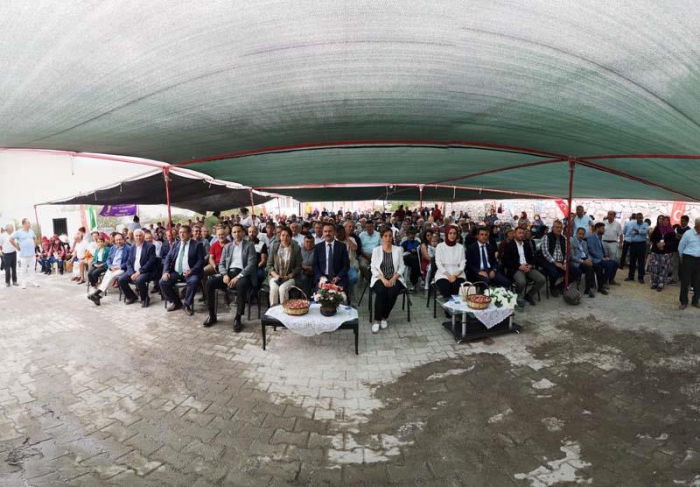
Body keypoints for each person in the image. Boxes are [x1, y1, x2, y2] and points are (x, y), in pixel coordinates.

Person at [204, 223, 257, 331]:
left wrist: (238, 277)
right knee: (209, 283)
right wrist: (224, 275)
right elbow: (222, 264)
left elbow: (251, 265)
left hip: (243, 274)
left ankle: (238, 318)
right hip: (228, 274)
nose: (237, 234)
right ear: (231, 234)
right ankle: (212, 315)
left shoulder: (249, 245)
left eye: (239, 231)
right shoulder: (227, 246)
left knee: (241, 285)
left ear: (243, 233)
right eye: (234, 232)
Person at [160, 226, 206, 314]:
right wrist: (165, 272)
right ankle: (176, 303)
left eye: (184, 232)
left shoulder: (197, 245)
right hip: (177, 272)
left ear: (189, 233)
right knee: (163, 282)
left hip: (191, 272)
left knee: (193, 281)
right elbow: (168, 258)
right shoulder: (175, 244)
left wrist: (192, 270)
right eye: (180, 232)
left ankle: (187, 305)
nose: (182, 234)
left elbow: (201, 261)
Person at [369, 227, 406, 333]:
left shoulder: (398, 250)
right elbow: (373, 268)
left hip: (395, 277)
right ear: (381, 237)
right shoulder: (376, 250)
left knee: (392, 292)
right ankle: (377, 320)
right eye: (385, 236)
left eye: (390, 236)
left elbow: (402, 267)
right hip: (380, 277)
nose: (388, 238)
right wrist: (383, 279)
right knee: (381, 292)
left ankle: (384, 317)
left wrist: (394, 278)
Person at [502, 227, 545, 306]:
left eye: (523, 233)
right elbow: (507, 261)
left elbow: (532, 257)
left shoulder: (526, 244)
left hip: (527, 266)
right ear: (515, 234)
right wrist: (519, 266)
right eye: (519, 233)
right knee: (522, 282)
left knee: (542, 279)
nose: (521, 235)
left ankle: (529, 295)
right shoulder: (509, 245)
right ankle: (518, 296)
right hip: (516, 268)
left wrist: (530, 265)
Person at [88, 232, 129, 306]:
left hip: (122, 268)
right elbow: (108, 259)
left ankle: (96, 294)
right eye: (117, 240)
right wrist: (110, 266)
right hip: (112, 268)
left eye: (120, 239)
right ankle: (98, 297)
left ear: (123, 239)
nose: (118, 241)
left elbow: (129, 262)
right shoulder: (113, 248)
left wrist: (119, 267)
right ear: (114, 240)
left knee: (111, 276)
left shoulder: (128, 248)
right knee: (106, 277)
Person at [118, 229, 157, 307]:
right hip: (134, 271)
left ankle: (145, 298)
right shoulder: (132, 247)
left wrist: (139, 272)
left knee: (139, 280)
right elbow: (129, 262)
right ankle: (131, 297)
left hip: (146, 271)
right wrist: (131, 273)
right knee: (121, 279)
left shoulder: (150, 246)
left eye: (140, 235)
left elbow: (151, 262)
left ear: (143, 236)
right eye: (137, 236)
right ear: (134, 237)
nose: (138, 237)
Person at [540, 220, 578, 297]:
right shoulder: (546, 237)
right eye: (557, 227)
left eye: (560, 227)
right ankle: (552, 287)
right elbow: (545, 252)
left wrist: (564, 263)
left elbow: (566, 253)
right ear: (553, 228)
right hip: (549, 261)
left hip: (562, 261)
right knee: (554, 274)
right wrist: (555, 263)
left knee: (576, 272)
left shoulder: (564, 238)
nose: (559, 229)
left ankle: (559, 287)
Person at [266, 227, 302, 305]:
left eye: (287, 236)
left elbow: (298, 267)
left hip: (291, 277)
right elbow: (269, 265)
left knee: (282, 289)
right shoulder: (274, 247)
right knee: (274, 289)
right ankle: (274, 310)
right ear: (280, 236)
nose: (285, 238)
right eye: (283, 235)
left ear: (291, 237)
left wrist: (288, 276)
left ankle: (284, 310)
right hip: (275, 276)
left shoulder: (296, 248)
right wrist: (276, 276)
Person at [313, 223, 350, 292]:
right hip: (323, 277)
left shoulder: (342, 246)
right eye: (325, 231)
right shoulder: (318, 247)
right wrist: (321, 277)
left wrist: (338, 277)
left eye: (330, 231)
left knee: (339, 296)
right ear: (323, 233)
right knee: (320, 295)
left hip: (338, 278)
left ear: (335, 232)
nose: (327, 233)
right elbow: (315, 265)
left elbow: (346, 265)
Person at [434, 225, 466, 301]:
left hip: (458, 272)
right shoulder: (440, 246)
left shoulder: (460, 247)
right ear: (446, 234)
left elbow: (463, 262)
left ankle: (456, 305)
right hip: (443, 273)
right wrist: (448, 275)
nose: (452, 235)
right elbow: (438, 263)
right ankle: (448, 306)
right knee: (446, 287)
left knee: (457, 286)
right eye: (450, 233)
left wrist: (455, 275)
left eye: (454, 233)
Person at [570, 227, 603, 298]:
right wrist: (583, 261)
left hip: (585, 260)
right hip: (578, 262)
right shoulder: (572, 242)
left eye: (582, 234)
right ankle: (588, 289)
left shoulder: (584, 242)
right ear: (576, 233)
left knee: (598, 267)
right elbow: (572, 257)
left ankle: (600, 287)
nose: (581, 236)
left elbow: (588, 254)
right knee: (589, 269)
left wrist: (589, 260)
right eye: (579, 234)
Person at [588, 222, 619, 288]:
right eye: (602, 228)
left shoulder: (599, 237)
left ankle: (611, 280)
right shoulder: (591, 237)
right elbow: (592, 251)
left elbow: (601, 249)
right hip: (595, 259)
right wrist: (602, 258)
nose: (604, 230)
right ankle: (603, 282)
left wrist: (605, 256)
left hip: (601, 258)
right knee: (610, 264)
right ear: (597, 228)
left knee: (616, 263)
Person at [678, 217, 700, 310]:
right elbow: (680, 247)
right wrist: (683, 259)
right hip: (688, 259)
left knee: (698, 282)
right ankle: (683, 302)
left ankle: (695, 301)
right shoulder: (688, 234)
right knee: (685, 281)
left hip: (699, 260)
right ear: (697, 226)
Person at [10, 218, 39, 289]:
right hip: (24, 255)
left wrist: (34, 244)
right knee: (23, 269)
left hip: (32, 254)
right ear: (24, 224)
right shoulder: (18, 232)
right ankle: (23, 283)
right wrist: (17, 247)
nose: (29, 224)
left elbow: (34, 238)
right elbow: (11, 239)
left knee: (32, 269)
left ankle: (33, 281)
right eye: (28, 223)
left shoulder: (31, 231)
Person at [648, 216, 675, 292]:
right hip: (656, 251)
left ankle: (661, 284)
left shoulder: (671, 231)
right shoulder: (657, 228)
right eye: (664, 220)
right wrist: (657, 243)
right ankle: (654, 282)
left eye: (667, 220)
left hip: (666, 253)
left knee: (664, 269)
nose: (665, 222)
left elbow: (673, 242)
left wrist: (664, 244)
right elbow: (652, 238)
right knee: (654, 267)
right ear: (661, 221)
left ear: (669, 222)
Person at [624, 212, 649, 283]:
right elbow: (630, 232)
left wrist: (638, 231)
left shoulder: (645, 224)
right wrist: (640, 232)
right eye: (638, 218)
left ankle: (641, 277)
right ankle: (631, 276)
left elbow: (645, 232)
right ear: (636, 218)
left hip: (642, 244)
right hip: (633, 244)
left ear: (642, 218)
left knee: (641, 261)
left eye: (640, 218)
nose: (639, 219)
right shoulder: (633, 224)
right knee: (632, 261)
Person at [337, 224, 359, 292]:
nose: (340, 234)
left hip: (350, 265)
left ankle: (348, 289)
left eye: (342, 232)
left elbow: (354, 248)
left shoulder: (351, 239)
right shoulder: (334, 241)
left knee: (354, 278)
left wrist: (347, 238)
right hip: (338, 266)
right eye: (338, 233)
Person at [358, 220, 380, 285]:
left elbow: (381, 246)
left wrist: (374, 254)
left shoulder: (378, 234)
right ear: (365, 227)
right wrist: (366, 255)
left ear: (373, 227)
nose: (369, 228)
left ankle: (376, 279)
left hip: (377, 255)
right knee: (362, 265)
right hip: (364, 255)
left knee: (380, 265)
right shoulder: (362, 235)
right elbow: (360, 247)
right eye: (367, 227)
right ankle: (370, 280)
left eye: (370, 226)